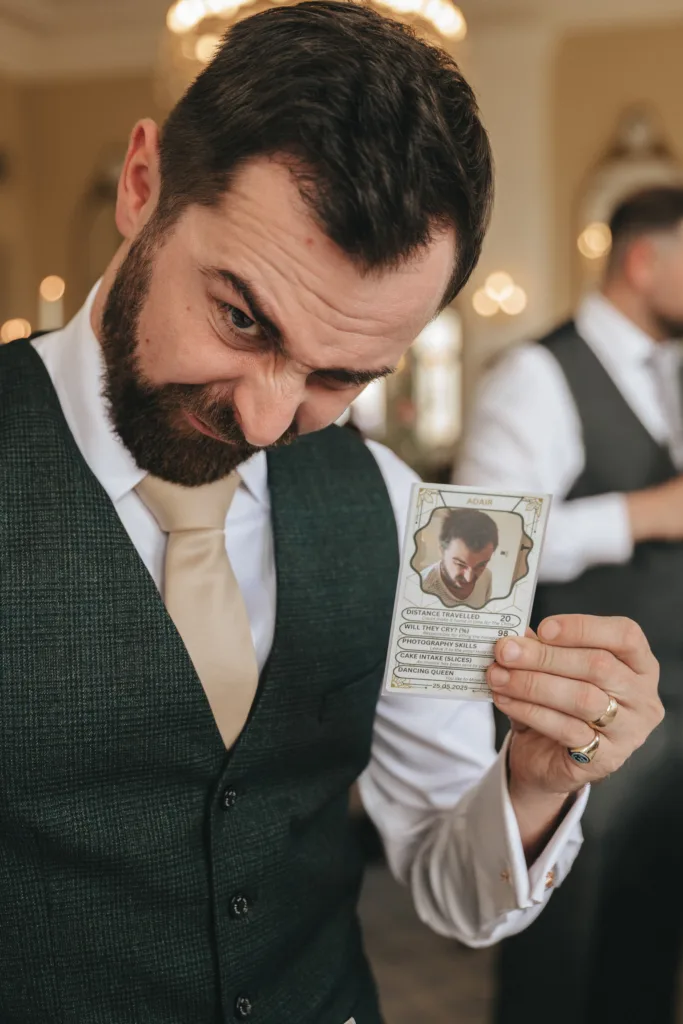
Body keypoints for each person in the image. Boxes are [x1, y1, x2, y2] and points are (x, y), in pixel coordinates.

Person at [0, 6, 662, 1022]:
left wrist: (530, 786)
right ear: (142, 186)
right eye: (240, 318)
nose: (268, 422)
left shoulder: (403, 513)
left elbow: (451, 884)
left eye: (341, 376)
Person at [456, 185, 683, 1024]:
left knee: (646, 935)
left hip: (669, 705)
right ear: (642, 260)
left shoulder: (673, 368)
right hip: (575, 712)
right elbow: (476, 546)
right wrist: (643, 514)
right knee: (559, 946)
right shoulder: (535, 375)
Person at [420, 507, 498, 608]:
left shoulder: (487, 576)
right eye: (460, 564)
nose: (469, 578)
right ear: (441, 551)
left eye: (481, 565)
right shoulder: (421, 587)